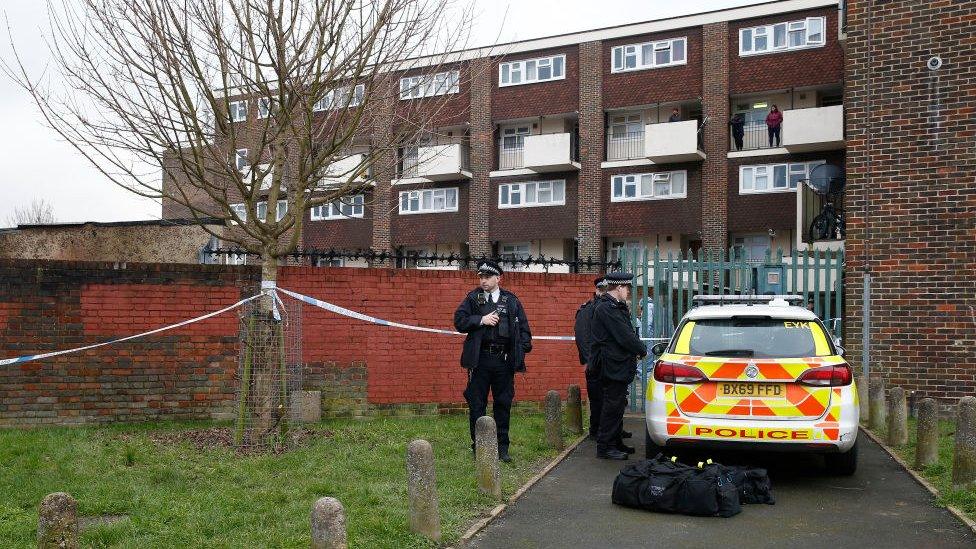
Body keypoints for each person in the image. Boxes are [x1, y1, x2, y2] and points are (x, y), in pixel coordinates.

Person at [454, 260, 532, 463]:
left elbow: (524, 330)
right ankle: (479, 447)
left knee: (503, 403)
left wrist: (520, 350)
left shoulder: (511, 300)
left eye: (487, 277)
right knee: (477, 404)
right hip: (480, 360)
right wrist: (481, 320)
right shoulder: (473, 299)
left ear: (498, 278)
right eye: (481, 277)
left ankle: (502, 447)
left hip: (504, 361)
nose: (483, 280)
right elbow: (459, 322)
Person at [589, 272, 647, 460]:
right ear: (619, 288)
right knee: (611, 407)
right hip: (611, 366)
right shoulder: (606, 308)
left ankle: (615, 442)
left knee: (617, 405)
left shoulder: (616, 307)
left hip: (618, 365)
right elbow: (624, 335)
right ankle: (605, 447)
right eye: (627, 288)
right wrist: (642, 349)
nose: (629, 291)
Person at [574, 276, 608, 439]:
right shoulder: (587, 309)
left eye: (606, 290)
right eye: (601, 290)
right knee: (597, 399)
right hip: (596, 362)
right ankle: (596, 431)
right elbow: (582, 336)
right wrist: (589, 361)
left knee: (614, 398)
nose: (603, 293)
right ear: (596, 290)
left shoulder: (613, 308)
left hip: (610, 361)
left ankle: (613, 429)